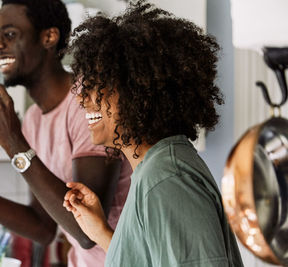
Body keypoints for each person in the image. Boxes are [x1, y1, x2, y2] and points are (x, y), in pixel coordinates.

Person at [0, 0, 131, 266]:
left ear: (49, 37)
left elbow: (87, 232)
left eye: (10, 35)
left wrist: (13, 142)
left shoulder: (87, 103)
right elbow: (43, 228)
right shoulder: (34, 120)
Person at [62, 1, 244, 266]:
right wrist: (101, 231)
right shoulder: (155, 171)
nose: (84, 100)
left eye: (99, 85)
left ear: (139, 90)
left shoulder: (167, 179)